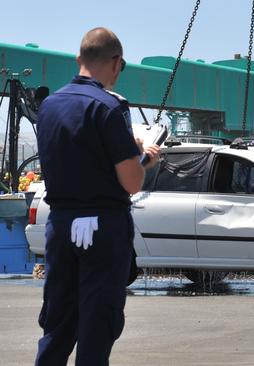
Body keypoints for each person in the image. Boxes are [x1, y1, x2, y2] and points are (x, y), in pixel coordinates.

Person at [34, 27, 160, 365]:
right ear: (117, 62)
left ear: (79, 60)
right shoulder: (110, 108)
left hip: (60, 226)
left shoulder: (48, 107)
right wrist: (145, 158)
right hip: (103, 227)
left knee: (57, 325)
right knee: (97, 326)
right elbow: (131, 182)